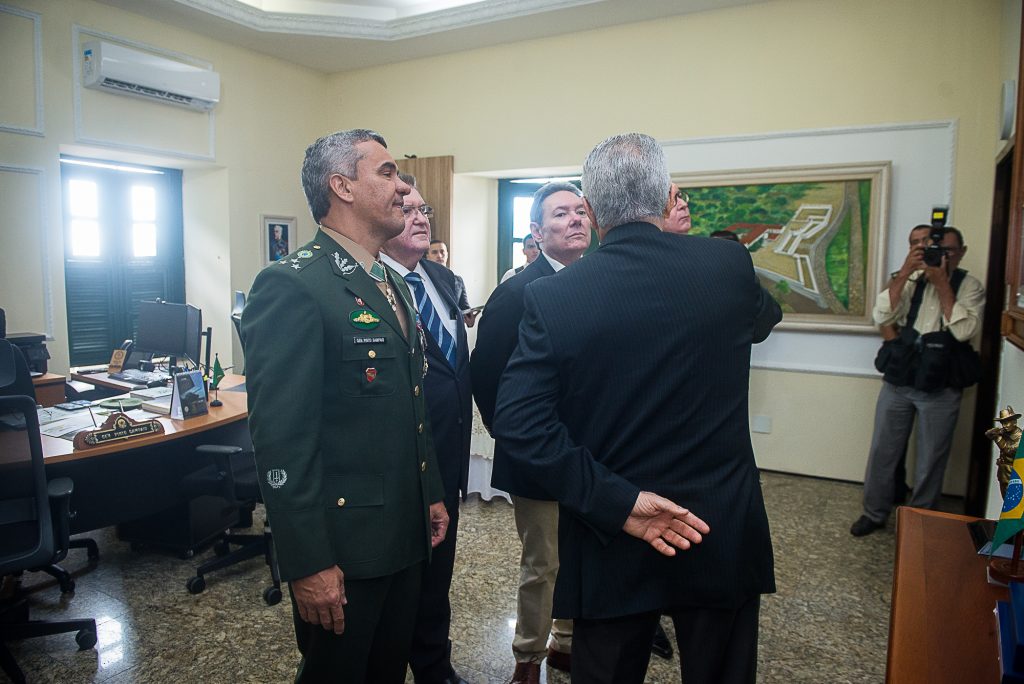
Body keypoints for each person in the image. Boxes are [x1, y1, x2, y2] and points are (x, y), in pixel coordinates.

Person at [492, 133, 781, 684]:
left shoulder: (557, 296)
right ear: (668, 196)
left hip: (611, 528)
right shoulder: (726, 265)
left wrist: (620, 504)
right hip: (716, 518)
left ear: (595, 212)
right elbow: (763, 320)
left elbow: (519, 424)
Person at [241, 129, 449, 683]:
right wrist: (307, 562)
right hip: (345, 546)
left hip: (403, 533)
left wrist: (429, 495)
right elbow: (281, 439)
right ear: (342, 187)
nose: (404, 188)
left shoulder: (391, 283)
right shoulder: (293, 285)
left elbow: (409, 403)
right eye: (387, 173)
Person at [471, 182, 591, 684]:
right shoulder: (517, 292)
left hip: (589, 454)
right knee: (543, 562)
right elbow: (485, 372)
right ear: (538, 233)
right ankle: (527, 657)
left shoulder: (595, 283)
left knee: (579, 556)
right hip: (537, 455)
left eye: (582, 211)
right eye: (561, 213)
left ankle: (566, 644)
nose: (576, 219)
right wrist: (513, 436)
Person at [382, 175, 472, 684]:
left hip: (448, 460)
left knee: (438, 581)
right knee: (402, 588)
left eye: (426, 210)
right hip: (401, 469)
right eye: (408, 209)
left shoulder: (440, 278)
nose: (420, 218)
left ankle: (435, 668)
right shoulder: (372, 283)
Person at [851, 224, 985, 536]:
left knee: (931, 459)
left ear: (961, 253)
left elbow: (964, 331)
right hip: (901, 380)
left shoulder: (970, 285)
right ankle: (874, 513)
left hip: (941, 385)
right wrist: (904, 274)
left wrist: (942, 285)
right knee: (883, 451)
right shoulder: (909, 279)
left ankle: (921, 521)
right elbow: (882, 315)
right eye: (928, 248)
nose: (939, 255)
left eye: (948, 250)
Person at [427, 239, 477, 328]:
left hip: (456, 331)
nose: (439, 255)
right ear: (427, 256)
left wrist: (470, 319)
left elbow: (464, 307)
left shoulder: (458, 280)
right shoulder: (423, 279)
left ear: (447, 254)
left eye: (442, 252)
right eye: (434, 252)